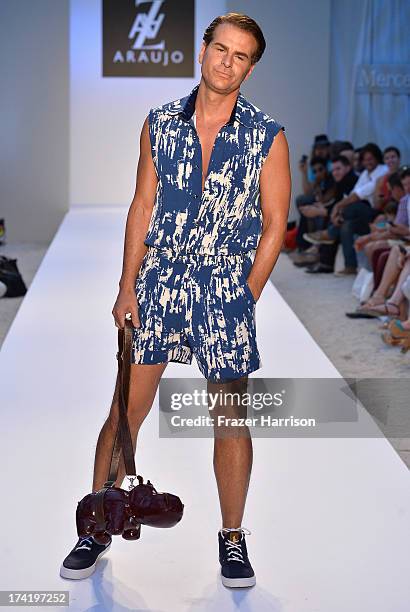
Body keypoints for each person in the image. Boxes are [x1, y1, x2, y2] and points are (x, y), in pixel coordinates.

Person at [60, 12, 291, 589]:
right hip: (159, 283)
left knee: (230, 419)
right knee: (124, 410)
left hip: (223, 292)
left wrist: (248, 294)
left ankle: (232, 541)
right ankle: (96, 525)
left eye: (240, 56)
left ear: (251, 67)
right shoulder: (159, 124)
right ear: (202, 50)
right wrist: (125, 285)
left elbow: (275, 222)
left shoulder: (268, 135)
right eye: (220, 49)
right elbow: (142, 205)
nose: (227, 61)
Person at [303, 143, 389, 275]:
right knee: (346, 226)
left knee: (351, 208)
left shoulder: (383, 170)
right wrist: (337, 211)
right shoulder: (365, 173)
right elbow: (355, 193)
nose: (368, 162)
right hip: (360, 215)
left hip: (377, 213)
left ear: (377, 158)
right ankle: (350, 266)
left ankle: (329, 234)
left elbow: (362, 192)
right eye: (365, 159)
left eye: (371, 158)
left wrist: (338, 208)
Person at [304, 155, 358, 273]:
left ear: (348, 168)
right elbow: (335, 204)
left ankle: (325, 241)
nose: (335, 172)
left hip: (359, 216)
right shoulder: (340, 182)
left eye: (338, 169)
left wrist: (325, 211)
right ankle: (325, 263)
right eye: (333, 170)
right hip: (347, 215)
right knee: (330, 217)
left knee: (340, 223)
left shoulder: (352, 180)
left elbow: (352, 205)